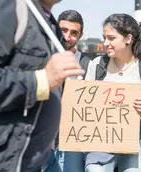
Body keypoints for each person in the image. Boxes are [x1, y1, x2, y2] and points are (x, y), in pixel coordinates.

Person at [0, 0, 85, 172]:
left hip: (33, 159)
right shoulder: (6, 5)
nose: (68, 36)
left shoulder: (49, 25)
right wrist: (41, 81)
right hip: (0, 161)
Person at [84, 13, 141, 172]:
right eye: (104, 37)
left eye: (111, 38)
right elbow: (85, 104)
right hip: (102, 139)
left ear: (128, 39)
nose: (106, 43)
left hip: (136, 138)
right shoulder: (97, 65)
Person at [45, 10, 90, 172]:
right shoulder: (43, 57)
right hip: (45, 134)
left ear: (80, 35)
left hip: (74, 137)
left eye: (74, 33)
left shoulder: (88, 65)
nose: (67, 36)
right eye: (63, 30)